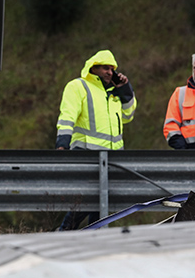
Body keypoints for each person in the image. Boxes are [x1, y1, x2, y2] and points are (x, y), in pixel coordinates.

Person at [56, 49, 136, 230]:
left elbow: (128, 115)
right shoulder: (78, 86)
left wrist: (125, 89)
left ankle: (93, 238)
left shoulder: (114, 92)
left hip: (113, 159)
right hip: (87, 154)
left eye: (112, 69)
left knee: (100, 208)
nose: (110, 72)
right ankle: (63, 233)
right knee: (87, 201)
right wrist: (62, 145)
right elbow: (67, 116)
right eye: (105, 68)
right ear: (93, 68)